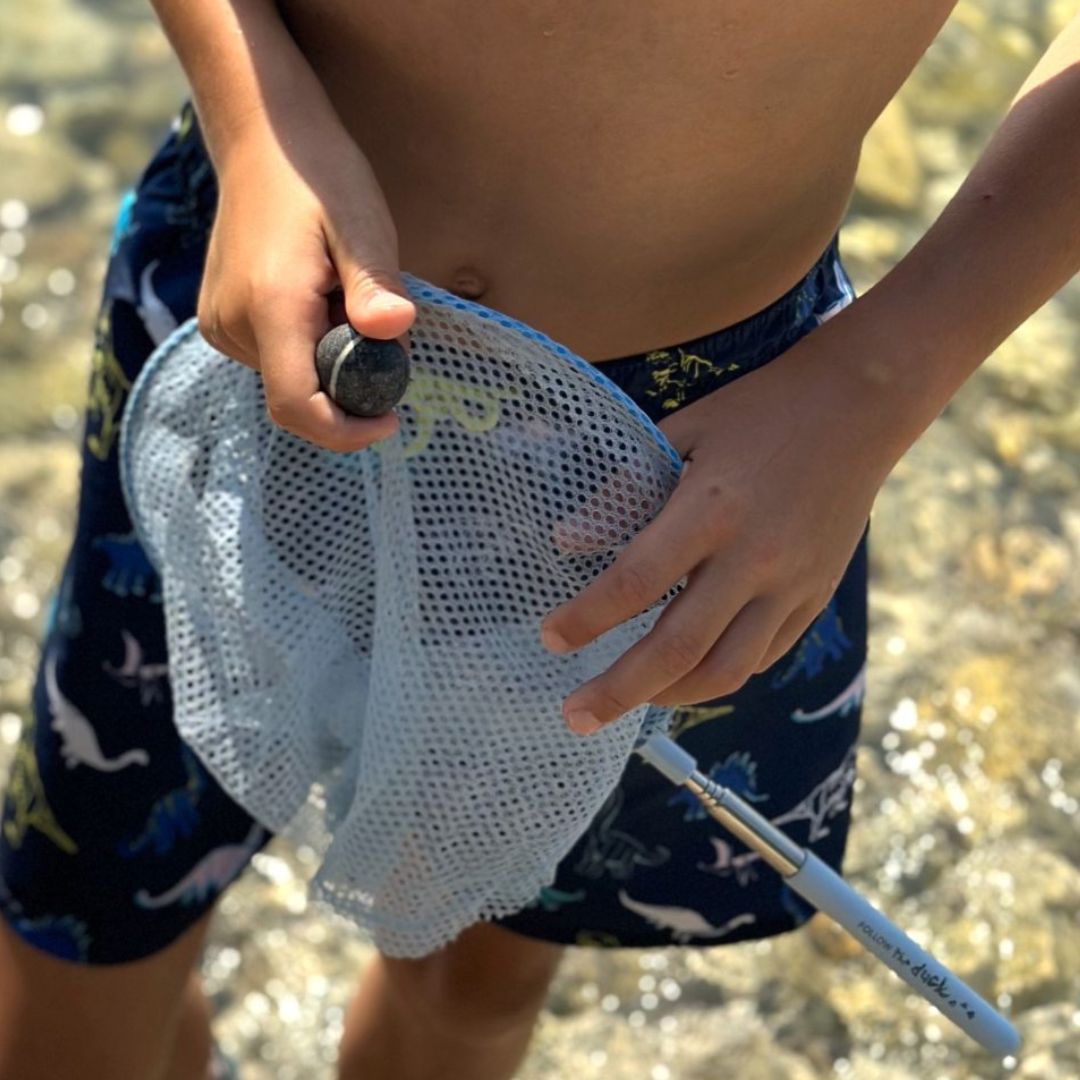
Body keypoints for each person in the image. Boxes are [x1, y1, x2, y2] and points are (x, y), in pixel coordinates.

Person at [1, 2, 1078, 1078]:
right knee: (86, 920)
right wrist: (255, 120)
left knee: (479, 969)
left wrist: (878, 380)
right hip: (265, 295)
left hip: (711, 446)